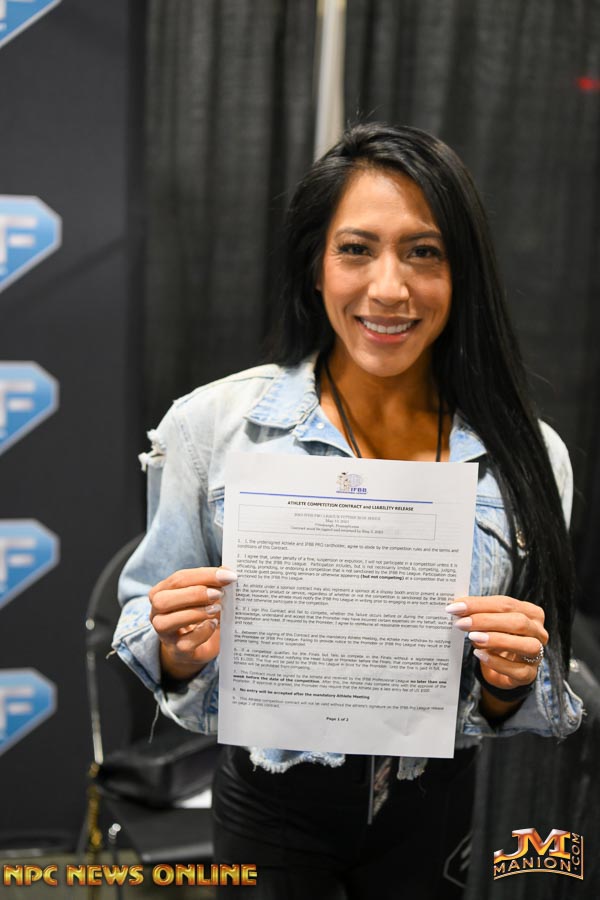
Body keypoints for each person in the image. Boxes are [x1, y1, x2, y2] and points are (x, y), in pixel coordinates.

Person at [113, 122, 582, 898]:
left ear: (462, 272)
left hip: (436, 806)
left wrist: (508, 683)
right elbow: (143, 615)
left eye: (424, 252)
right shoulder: (213, 426)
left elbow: (528, 676)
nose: (390, 288)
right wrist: (177, 648)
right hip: (269, 800)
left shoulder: (530, 457)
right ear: (316, 265)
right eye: (357, 249)